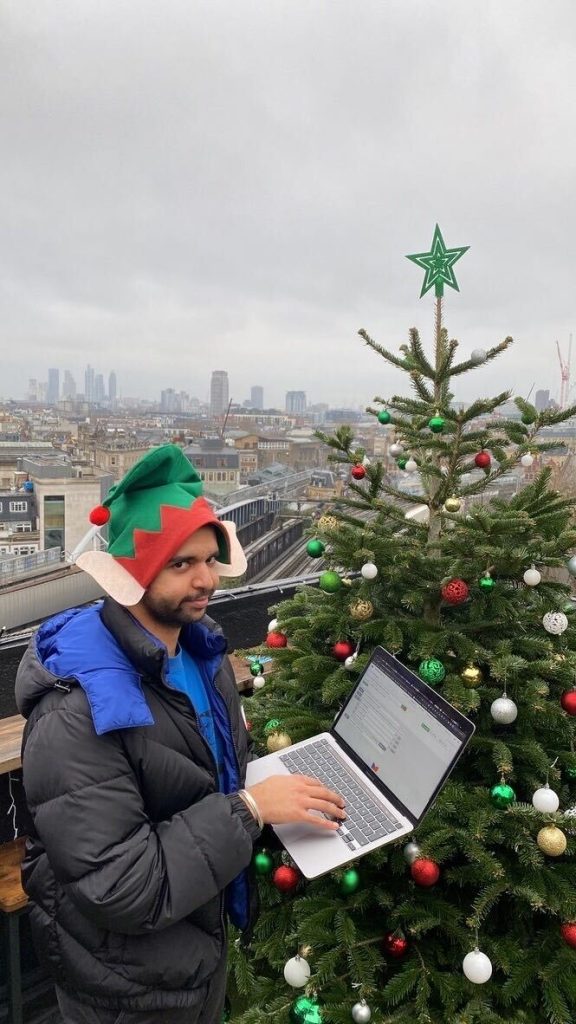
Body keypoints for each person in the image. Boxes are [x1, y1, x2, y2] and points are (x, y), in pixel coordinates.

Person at [15, 445, 345, 1024]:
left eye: (210, 559)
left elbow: (205, 778)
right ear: (133, 573)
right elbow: (120, 885)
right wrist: (250, 810)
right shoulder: (76, 711)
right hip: (127, 988)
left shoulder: (200, 650)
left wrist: (276, 795)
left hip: (192, 952)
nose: (206, 580)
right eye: (181, 564)